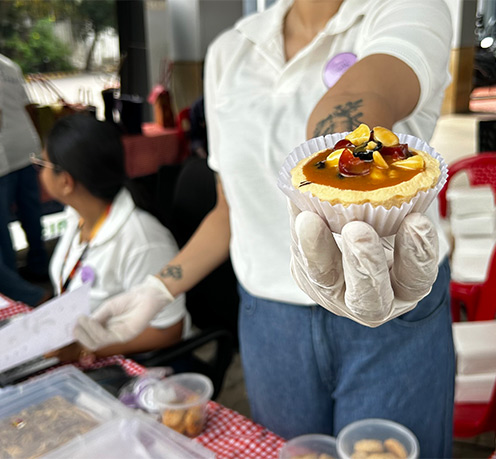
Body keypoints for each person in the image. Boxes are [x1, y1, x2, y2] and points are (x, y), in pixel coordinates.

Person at [72, 0, 456, 454]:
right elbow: (229, 208)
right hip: (270, 323)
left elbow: (365, 95)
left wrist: (342, 160)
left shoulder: (405, 10)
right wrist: (159, 288)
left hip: (391, 297)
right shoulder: (228, 52)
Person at [37, 114, 187, 362]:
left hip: (133, 363)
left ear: (66, 182)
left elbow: (169, 330)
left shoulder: (142, 240)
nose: (40, 174)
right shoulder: (78, 216)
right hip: (80, 341)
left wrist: (87, 350)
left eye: (43, 164)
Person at [0, 53, 49, 281]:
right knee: (30, 210)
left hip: (4, 154)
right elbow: (29, 107)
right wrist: (37, 143)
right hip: (25, 145)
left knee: (1, 224)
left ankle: (11, 284)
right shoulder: (9, 65)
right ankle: (39, 266)